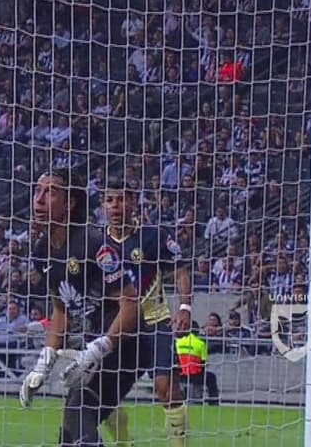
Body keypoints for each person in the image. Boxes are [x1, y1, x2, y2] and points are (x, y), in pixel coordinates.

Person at [19, 169, 142, 447]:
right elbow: (61, 311)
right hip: (94, 342)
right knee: (69, 432)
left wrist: (98, 349)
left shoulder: (93, 243)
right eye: (38, 191)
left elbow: (130, 305)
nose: (39, 199)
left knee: (78, 415)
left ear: (70, 203)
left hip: (125, 343)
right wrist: (44, 362)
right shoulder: (42, 251)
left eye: (51, 192)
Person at [100, 180, 193, 447]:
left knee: (167, 389)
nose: (115, 206)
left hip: (154, 321)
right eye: (110, 200)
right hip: (117, 325)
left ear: (133, 202)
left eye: (121, 199)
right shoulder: (96, 242)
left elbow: (180, 271)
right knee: (104, 396)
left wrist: (185, 307)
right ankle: (123, 442)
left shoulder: (154, 236)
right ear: (103, 205)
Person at [177, 323, 220, 406]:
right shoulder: (201, 343)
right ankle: (213, 403)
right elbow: (204, 363)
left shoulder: (179, 342)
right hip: (196, 375)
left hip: (181, 374)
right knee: (211, 377)